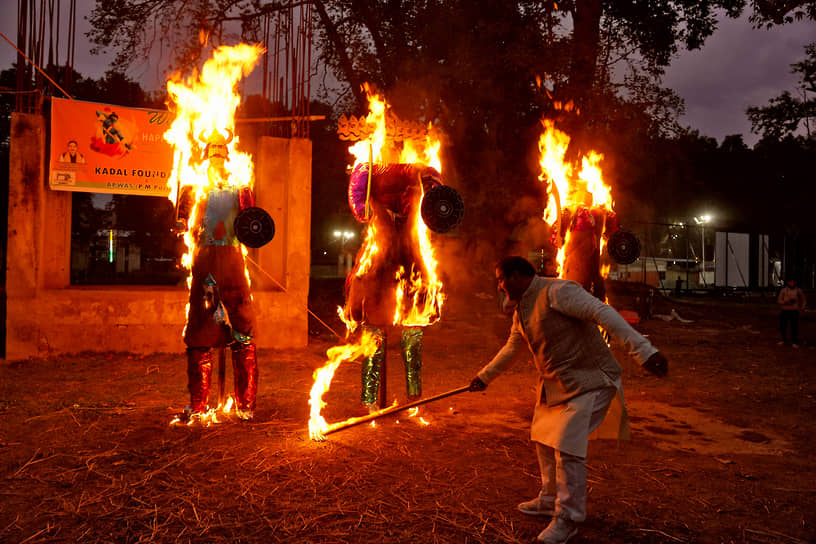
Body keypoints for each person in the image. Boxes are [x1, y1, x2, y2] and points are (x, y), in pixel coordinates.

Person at [469, 256, 668, 544]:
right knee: (543, 439)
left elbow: (604, 313)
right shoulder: (523, 308)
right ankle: (549, 499)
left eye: (500, 279)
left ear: (515, 276)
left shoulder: (558, 291)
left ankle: (569, 518)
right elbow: (513, 347)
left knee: (568, 448)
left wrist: (644, 352)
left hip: (590, 382)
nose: (499, 286)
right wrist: (484, 377)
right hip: (556, 386)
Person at [343, 163, 445, 411]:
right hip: (378, 271)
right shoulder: (373, 194)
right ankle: (370, 401)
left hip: (412, 268)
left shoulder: (419, 189)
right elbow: (361, 207)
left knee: (412, 337)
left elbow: (436, 205)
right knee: (374, 339)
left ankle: (414, 398)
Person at [175, 129, 259, 421]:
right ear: (206, 156)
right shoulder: (194, 186)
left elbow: (252, 224)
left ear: (227, 155)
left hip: (233, 265)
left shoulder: (241, 187)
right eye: (212, 153)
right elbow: (182, 222)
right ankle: (199, 405)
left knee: (242, 332)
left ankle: (245, 405)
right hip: (206, 266)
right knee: (201, 333)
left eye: (220, 153)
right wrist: (184, 222)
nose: (216, 159)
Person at [777, 278, 806, 348]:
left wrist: (802, 308)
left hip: (794, 311)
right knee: (783, 326)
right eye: (790, 282)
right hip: (784, 310)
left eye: (793, 282)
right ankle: (783, 340)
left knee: (794, 326)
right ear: (788, 282)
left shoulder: (798, 290)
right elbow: (779, 300)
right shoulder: (783, 290)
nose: (791, 283)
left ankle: (794, 341)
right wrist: (785, 302)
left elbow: (804, 299)